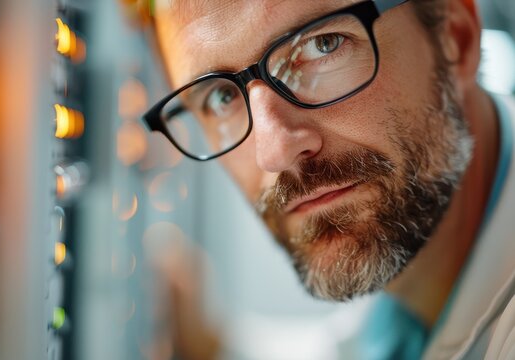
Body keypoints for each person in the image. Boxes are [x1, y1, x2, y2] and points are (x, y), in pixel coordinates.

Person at [141, 0, 515, 358]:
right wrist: (213, 346)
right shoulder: (412, 290)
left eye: (323, 45)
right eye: (222, 97)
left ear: (456, 37)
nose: (273, 153)